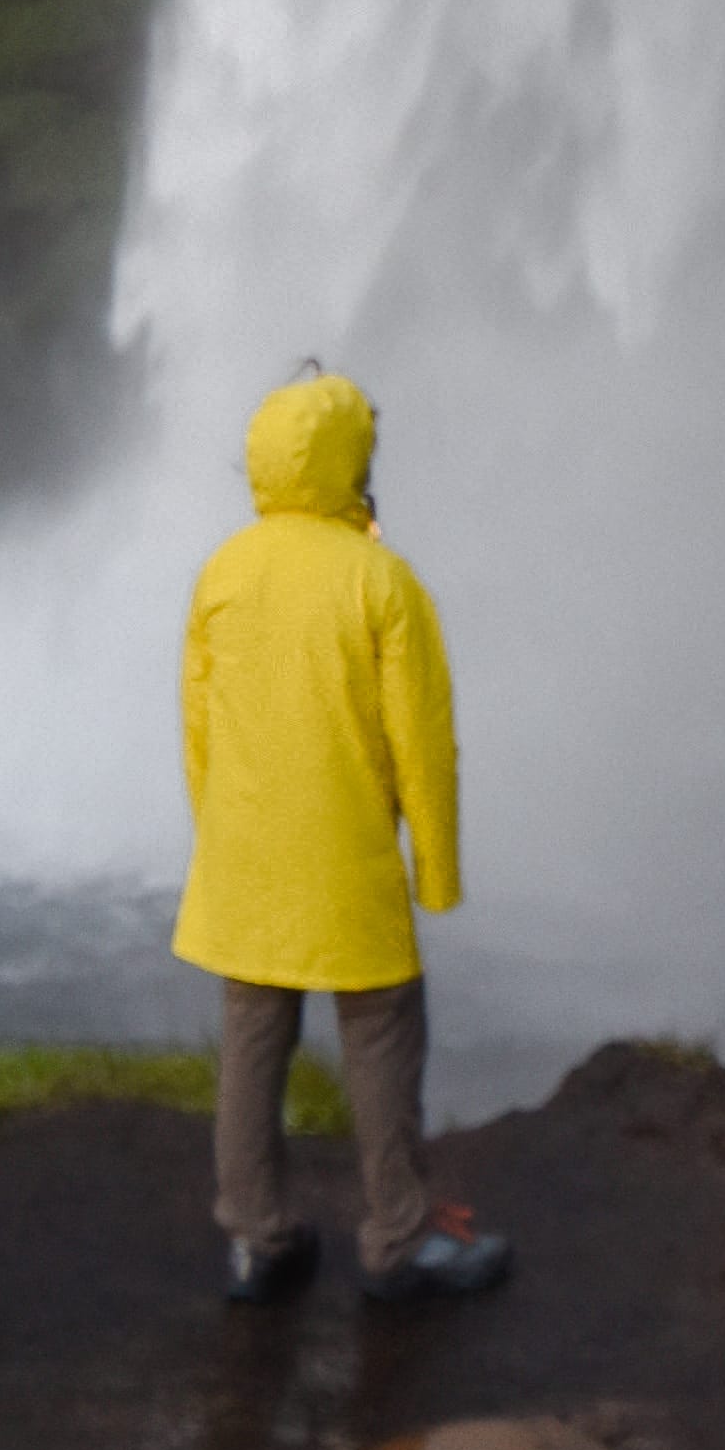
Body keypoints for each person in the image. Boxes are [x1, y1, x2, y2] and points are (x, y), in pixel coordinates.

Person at [174, 364, 510, 1308]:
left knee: (251, 1040)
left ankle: (255, 1240)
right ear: (350, 459)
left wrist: (223, 839)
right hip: (346, 861)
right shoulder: (382, 582)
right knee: (381, 1035)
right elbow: (423, 748)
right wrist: (435, 874)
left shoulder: (223, 570)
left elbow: (198, 726)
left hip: (246, 860)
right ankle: (399, 1239)